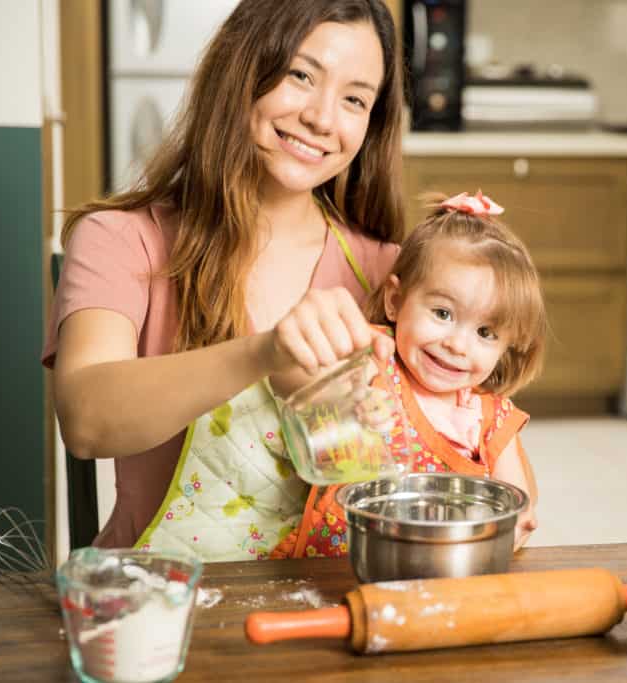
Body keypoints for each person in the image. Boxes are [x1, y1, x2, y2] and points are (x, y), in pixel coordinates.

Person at [44, 0, 405, 550]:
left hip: (330, 593)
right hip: (160, 594)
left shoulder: (386, 271)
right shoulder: (122, 239)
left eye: (355, 99)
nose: (323, 118)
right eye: (300, 75)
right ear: (240, 69)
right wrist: (263, 354)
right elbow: (86, 421)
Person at [271, 191, 547, 559]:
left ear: (507, 345)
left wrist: (517, 525)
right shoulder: (374, 358)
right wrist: (350, 397)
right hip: (333, 565)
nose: (457, 345)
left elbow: (516, 502)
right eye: (443, 314)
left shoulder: (492, 419)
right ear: (395, 301)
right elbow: (291, 377)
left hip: (439, 571)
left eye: (485, 333)